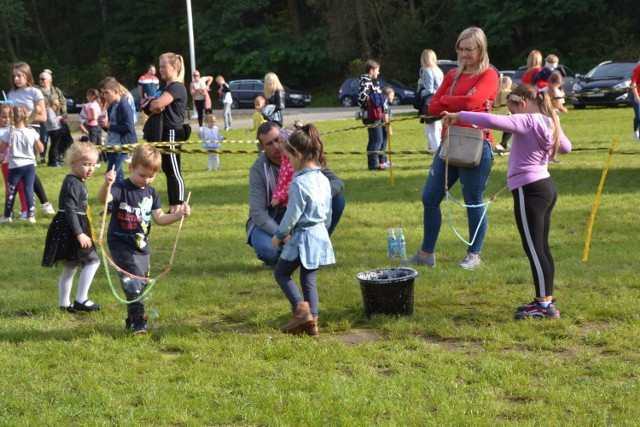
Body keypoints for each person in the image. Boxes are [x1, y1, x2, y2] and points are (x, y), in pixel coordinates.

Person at [442, 84, 572, 318]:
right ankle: (545, 300)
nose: (511, 115)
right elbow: (566, 148)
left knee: (534, 249)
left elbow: (492, 121)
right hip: (545, 187)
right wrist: (556, 126)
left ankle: (544, 307)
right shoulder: (548, 121)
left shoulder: (527, 120)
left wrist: (457, 116)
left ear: (521, 103)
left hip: (529, 190)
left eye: (512, 109)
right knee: (541, 247)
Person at [403, 26, 499, 270]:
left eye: (470, 49)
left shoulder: (489, 75)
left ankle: (474, 255)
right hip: (449, 143)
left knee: (473, 200)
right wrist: (455, 103)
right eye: (461, 48)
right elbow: (432, 107)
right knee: (430, 197)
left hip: (476, 144)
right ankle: (426, 254)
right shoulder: (452, 75)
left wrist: (449, 102)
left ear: (481, 49)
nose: (465, 54)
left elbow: (473, 102)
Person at [98, 144, 191, 334]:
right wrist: (107, 184)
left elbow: (159, 218)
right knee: (132, 281)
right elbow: (103, 199)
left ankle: (132, 318)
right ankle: (139, 321)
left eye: (151, 176)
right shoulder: (120, 188)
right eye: (142, 175)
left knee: (139, 285)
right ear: (131, 167)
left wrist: (178, 214)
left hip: (141, 246)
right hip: (120, 244)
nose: (146, 180)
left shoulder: (151, 193)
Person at [246, 122, 345, 268]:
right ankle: (282, 258)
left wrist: (316, 193)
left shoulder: (303, 156)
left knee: (338, 200)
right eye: (269, 143)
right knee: (268, 251)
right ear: (262, 147)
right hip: (272, 217)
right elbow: (258, 213)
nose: (276, 146)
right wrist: (283, 236)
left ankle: (314, 247)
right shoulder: (258, 169)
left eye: (277, 139)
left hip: (302, 213)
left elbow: (337, 182)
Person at [272, 124, 334, 336]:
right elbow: (328, 213)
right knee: (308, 279)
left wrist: (279, 235)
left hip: (303, 237)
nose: (288, 162)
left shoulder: (299, 183)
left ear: (298, 155)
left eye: (289, 158)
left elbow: (292, 215)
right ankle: (312, 324)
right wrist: (324, 233)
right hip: (319, 235)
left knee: (281, 273)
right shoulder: (323, 179)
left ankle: (301, 310)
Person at [42, 141, 102, 312]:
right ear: (73, 164)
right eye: (86, 164)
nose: (90, 169)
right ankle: (81, 299)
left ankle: (64, 304)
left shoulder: (78, 181)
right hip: (71, 227)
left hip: (75, 225)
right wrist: (80, 234)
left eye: (93, 165)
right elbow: (70, 210)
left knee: (71, 266)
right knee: (92, 261)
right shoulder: (72, 183)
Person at [7, 62, 56, 215]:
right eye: (14, 76)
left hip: (30, 134)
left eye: (19, 75)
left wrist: (25, 118)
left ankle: (43, 203)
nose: (16, 79)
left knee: (28, 170)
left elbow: (43, 116)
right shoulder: (11, 94)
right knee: (20, 171)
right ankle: (25, 207)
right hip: (14, 135)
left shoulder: (35, 92)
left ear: (27, 76)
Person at [148, 52, 188, 213]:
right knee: (166, 169)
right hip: (161, 132)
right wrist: (153, 105)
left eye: (163, 66)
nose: (160, 69)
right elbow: (149, 106)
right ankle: (173, 205)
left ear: (174, 67)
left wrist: (154, 104)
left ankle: (178, 204)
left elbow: (157, 104)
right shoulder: (165, 87)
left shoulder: (176, 87)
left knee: (173, 170)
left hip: (172, 131)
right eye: (160, 66)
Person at [0, 104, 44, 223]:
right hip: (30, 165)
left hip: (14, 166)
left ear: (11, 118)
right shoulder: (31, 132)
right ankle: (30, 216)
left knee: (11, 191)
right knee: (28, 189)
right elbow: (41, 149)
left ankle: (7, 216)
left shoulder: (9, 133)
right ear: (25, 116)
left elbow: (1, 150)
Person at [98, 77, 138, 182]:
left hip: (122, 145)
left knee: (110, 173)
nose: (105, 96)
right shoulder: (112, 106)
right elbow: (111, 128)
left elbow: (129, 127)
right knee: (118, 176)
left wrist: (109, 125)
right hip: (111, 144)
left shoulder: (124, 105)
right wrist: (104, 126)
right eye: (103, 93)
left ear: (115, 91)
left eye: (107, 93)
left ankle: (115, 196)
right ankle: (120, 196)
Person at [0, 103, 28, 219]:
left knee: (22, 187)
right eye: (3, 117)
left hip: (19, 163)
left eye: (9, 117)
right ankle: (9, 211)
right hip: (6, 164)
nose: (6, 119)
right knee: (10, 188)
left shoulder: (15, 128)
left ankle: (25, 210)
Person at [357, 60, 385, 170]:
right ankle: (373, 165)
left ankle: (371, 164)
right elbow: (362, 98)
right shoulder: (367, 82)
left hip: (372, 115)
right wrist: (372, 102)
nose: (379, 72)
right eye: (377, 70)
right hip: (372, 115)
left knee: (373, 140)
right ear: (371, 71)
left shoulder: (369, 81)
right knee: (378, 140)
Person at [37, 69, 67, 165]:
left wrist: (64, 113)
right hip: (44, 119)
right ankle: (42, 158)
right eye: (40, 79)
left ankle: (57, 157)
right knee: (44, 139)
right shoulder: (37, 91)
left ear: (49, 80)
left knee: (57, 140)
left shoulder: (56, 90)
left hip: (56, 118)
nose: (41, 81)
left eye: (43, 79)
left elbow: (63, 101)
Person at [418, 49, 444, 151]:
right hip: (438, 102)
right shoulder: (438, 71)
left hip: (430, 103)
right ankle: (437, 151)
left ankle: (436, 153)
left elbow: (430, 89)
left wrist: (420, 94)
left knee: (430, 132)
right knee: (436, 129)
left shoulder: (428, 71)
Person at [44, 98, 64, 166]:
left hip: (56, 129)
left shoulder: (50, 110)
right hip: (54, 130)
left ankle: (55, 160)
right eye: (55, 105)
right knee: (54, 146)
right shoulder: (49, 110)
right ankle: (53, 162)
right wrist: (59, 117)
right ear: (52, 104)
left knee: (55, 146)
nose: (56, 107)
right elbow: (52, 122)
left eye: (57, 105)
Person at [379, 86, 394, 168]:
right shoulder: (385, 105)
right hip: (383, 126)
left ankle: (385, 160)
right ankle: (382, 162)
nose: (393, 97)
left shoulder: (385, 104)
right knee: (383, 144)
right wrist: (389, 129)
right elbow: (385, 117)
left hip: (384, 126)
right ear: (386, 96)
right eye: (392, 95)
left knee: (384, 144)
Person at [631, 57, 640, 141]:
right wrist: (636, 95)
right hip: (636, 94)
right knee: (639, 116)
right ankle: (636, 131)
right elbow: (633, 83)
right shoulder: (637, 69)